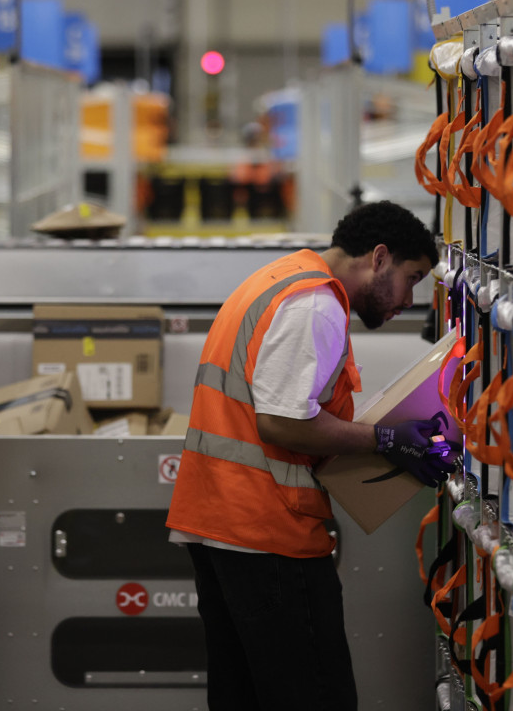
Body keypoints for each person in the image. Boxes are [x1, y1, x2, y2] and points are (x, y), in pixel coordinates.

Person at [165, 200, 452, 711]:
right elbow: (282, 421)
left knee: (244, 695)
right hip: (266, 531)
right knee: (315, 695)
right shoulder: (314, 304)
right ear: (379, 258)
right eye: (413, 278)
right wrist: (387, 441)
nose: (409, 299)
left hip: (220, 522)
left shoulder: (281, 278)